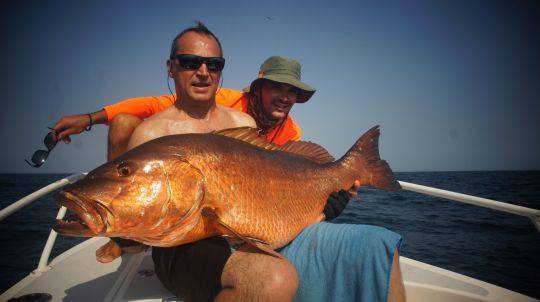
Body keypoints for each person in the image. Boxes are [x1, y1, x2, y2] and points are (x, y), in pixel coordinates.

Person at [51, 23, 405, 302]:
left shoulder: (245, 125)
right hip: (180, 246)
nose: (202, 71)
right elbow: (143, 106)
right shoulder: (150, 134)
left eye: (214, 64)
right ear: (172, 67)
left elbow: (277, 178)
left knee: (380, 244)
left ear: (221, 71)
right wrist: (92, 118)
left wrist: (328, 201)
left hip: (252, 231)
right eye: (190, 62)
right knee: (275, 279)